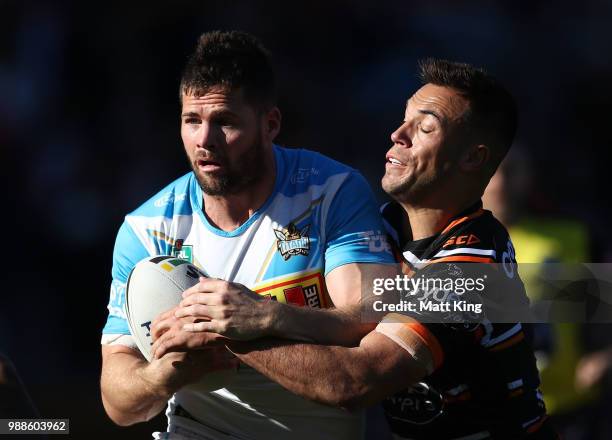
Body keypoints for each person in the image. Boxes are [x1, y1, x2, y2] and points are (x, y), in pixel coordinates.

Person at [154, 59, 559, 439]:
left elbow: (355, 380)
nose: (397, 135)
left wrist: (224, 327)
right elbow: (349, 322)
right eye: (403, 120)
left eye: (425, 127)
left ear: (474, 157)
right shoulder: (378, 228)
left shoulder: (471, 268)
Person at [99, 30, 397, 440]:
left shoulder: (331, 192)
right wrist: (161, 375)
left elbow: (370, 320)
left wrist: (266, 317)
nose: (205, 141)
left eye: (224, 122)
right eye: (192, 121)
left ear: (270, 123)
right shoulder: (148, 227)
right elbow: (118, 401)